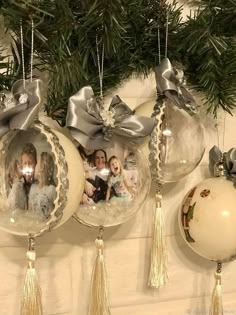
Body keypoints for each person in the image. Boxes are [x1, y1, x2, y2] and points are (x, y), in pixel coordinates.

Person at [8, 143, 37, 210]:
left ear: (36, 163)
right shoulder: (16, 188)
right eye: (25, 163)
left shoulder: (41, 186)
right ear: (21, 165)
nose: (27, 167)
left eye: (30, 163)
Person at [29, 152, 56, 219]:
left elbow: (55, 214)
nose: (35, 166)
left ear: (42, 167)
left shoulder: (52, 190)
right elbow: (29, 211)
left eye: (37, 163)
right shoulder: (33, 188)